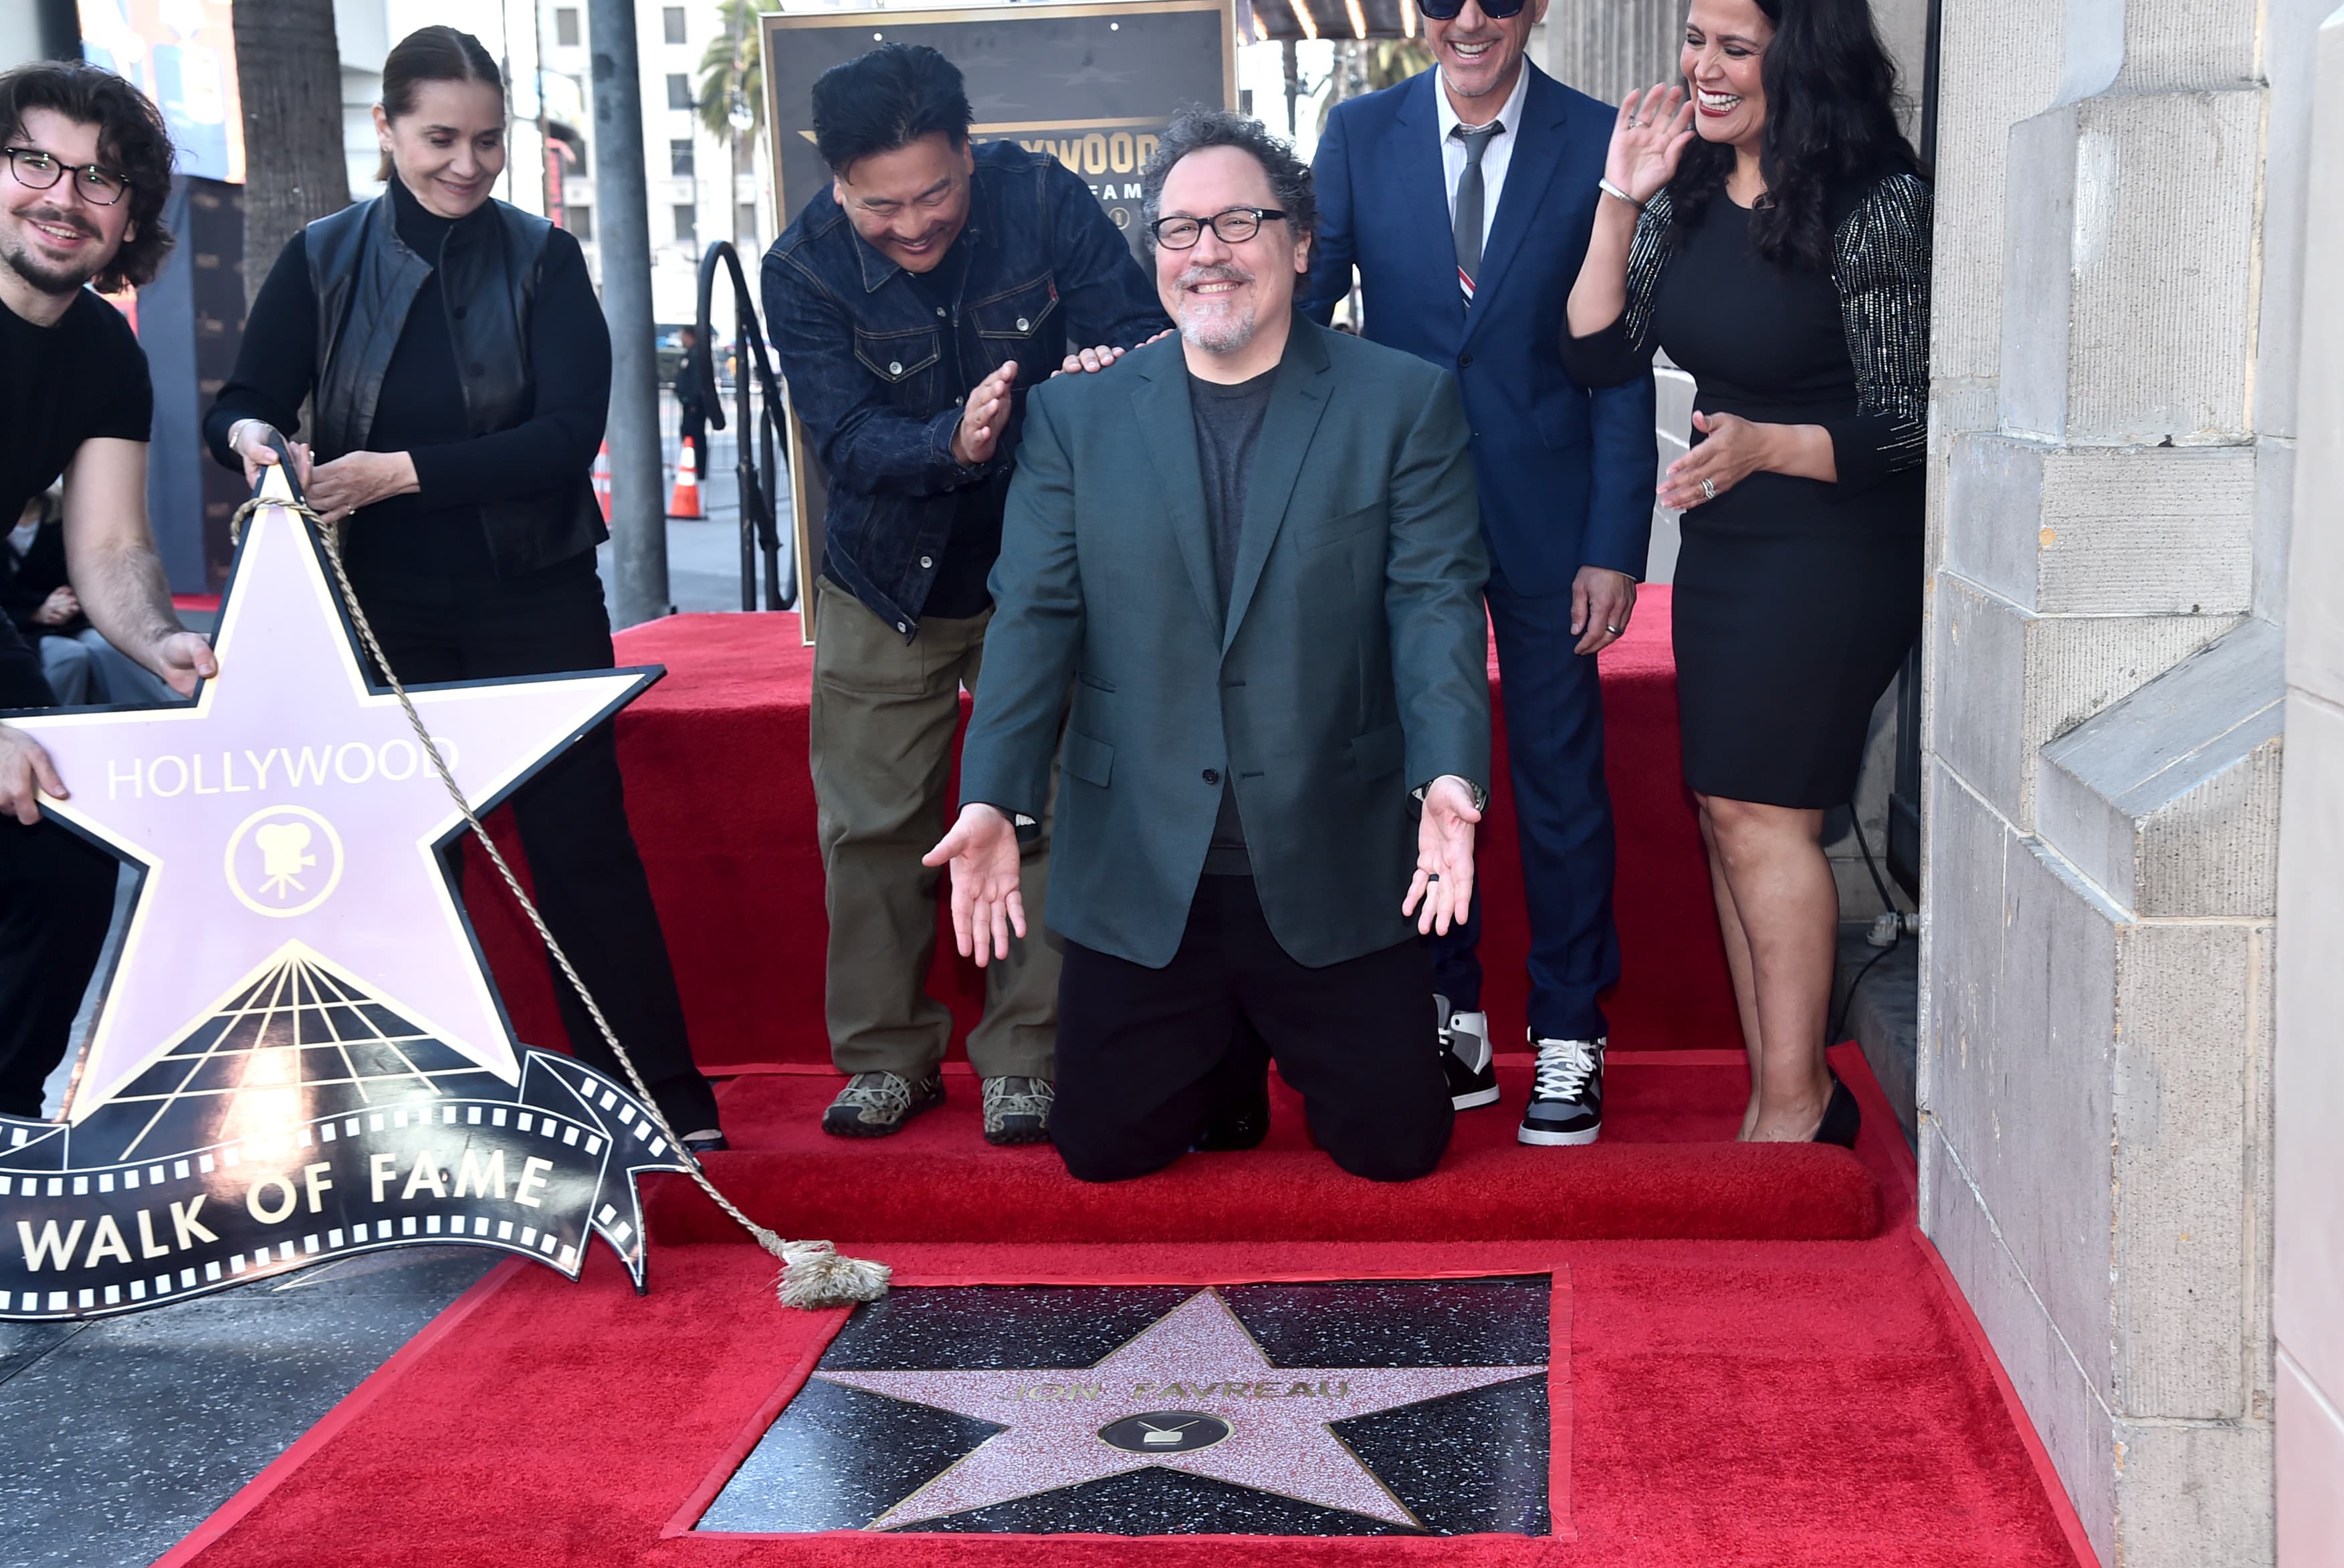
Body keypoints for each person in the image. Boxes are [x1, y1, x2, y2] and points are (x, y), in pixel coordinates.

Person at [926, 109, 1493, 1184]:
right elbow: (1033, 619)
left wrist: (1449, 776)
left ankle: (1255, 1043)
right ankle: (1226, 1054)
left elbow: (1435, 606)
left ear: (1299, 243)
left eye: (1239, 222)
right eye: (1179, 230)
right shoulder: (1072, 421)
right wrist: (991, 797)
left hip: (1329, 856)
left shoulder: (1401, 403)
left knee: (1396, 1150)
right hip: (1147, 867)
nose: (1207, 253)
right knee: (1103, 1155)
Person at [203, 26, 728, 1151]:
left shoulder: (544, 259)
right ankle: (409, 1125)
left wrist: (400, 472)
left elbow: (564, 438)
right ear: (385, 128)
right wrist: (253, 436)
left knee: (582, 846)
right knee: (398, 858)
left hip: (536, 598)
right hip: (384, 610)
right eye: (440, 137)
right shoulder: (321, 257)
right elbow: (242, 398)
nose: (467, 163)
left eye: (488, 140)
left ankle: (664, 1104)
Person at [762, 44, 1168, 1145]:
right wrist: (952, 438)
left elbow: (1138, 330)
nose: (912, 222)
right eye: (879, 205)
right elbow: (843, 437)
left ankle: (1025, 1054)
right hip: (884, 579)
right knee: (872, 826)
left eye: (935, 191)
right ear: (836, 184)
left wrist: (1109, 369)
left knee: (1036, 807)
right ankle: (888, 1056)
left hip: (1039, 566)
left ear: (970, 155)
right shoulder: (800, 268)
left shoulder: (1043, 201)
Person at [1560, 0, 1931, 1145]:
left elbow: (1918, 426)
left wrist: (1767, 446)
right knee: (1731, 811)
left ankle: (1793, 1105)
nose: (1702, 70)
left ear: (1801, 58)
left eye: (1734, 47)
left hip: (1833, 540)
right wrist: (1621, 196)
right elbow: (1595, 351)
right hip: (1725, 542)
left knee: (1769, 816)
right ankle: (1783, 1093)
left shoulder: (1876, 202)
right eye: (1693, 41)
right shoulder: (1689, 187)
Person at [1303, 0, 1659, 1147]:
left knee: (1558, 775)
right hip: (1397, 516)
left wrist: (1615, 542)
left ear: (1536, 10)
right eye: (1444, 0)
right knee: (1415, 764)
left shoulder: (1600, 136)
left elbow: (1619, 364)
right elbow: (1304, 324)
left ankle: (1568, 1027)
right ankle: (1448, 1005)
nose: (1469, 21)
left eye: (1496, 0)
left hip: (1551, 513)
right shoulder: (1357, 137)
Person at [0, 60, 217, 1119]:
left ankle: (3, 1135)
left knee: (63, 864)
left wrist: (158, 645)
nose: (63, 196)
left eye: (100, 179)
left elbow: (113, 541)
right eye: (32, 161)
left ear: (131, 215)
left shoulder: (100, 352)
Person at [5, 487, 180, 705]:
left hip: (74, 619)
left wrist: (69, 603)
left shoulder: (65, 509)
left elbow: (93, 571)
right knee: (69, 657)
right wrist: (36, 613)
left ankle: (157, 716)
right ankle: (57, 728)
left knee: (112, 648)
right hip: (17, 629)